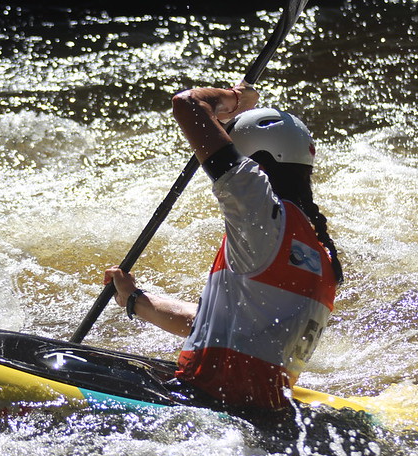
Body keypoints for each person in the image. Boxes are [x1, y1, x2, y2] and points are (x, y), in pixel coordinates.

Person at [104, 82, 342, 411]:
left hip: (203, 404)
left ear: (254, 162)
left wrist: (236, 99)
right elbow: (226, 327)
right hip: (263, 414)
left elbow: (187, 104)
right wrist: (136, 301)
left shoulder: (259, 213)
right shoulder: (322, 252)